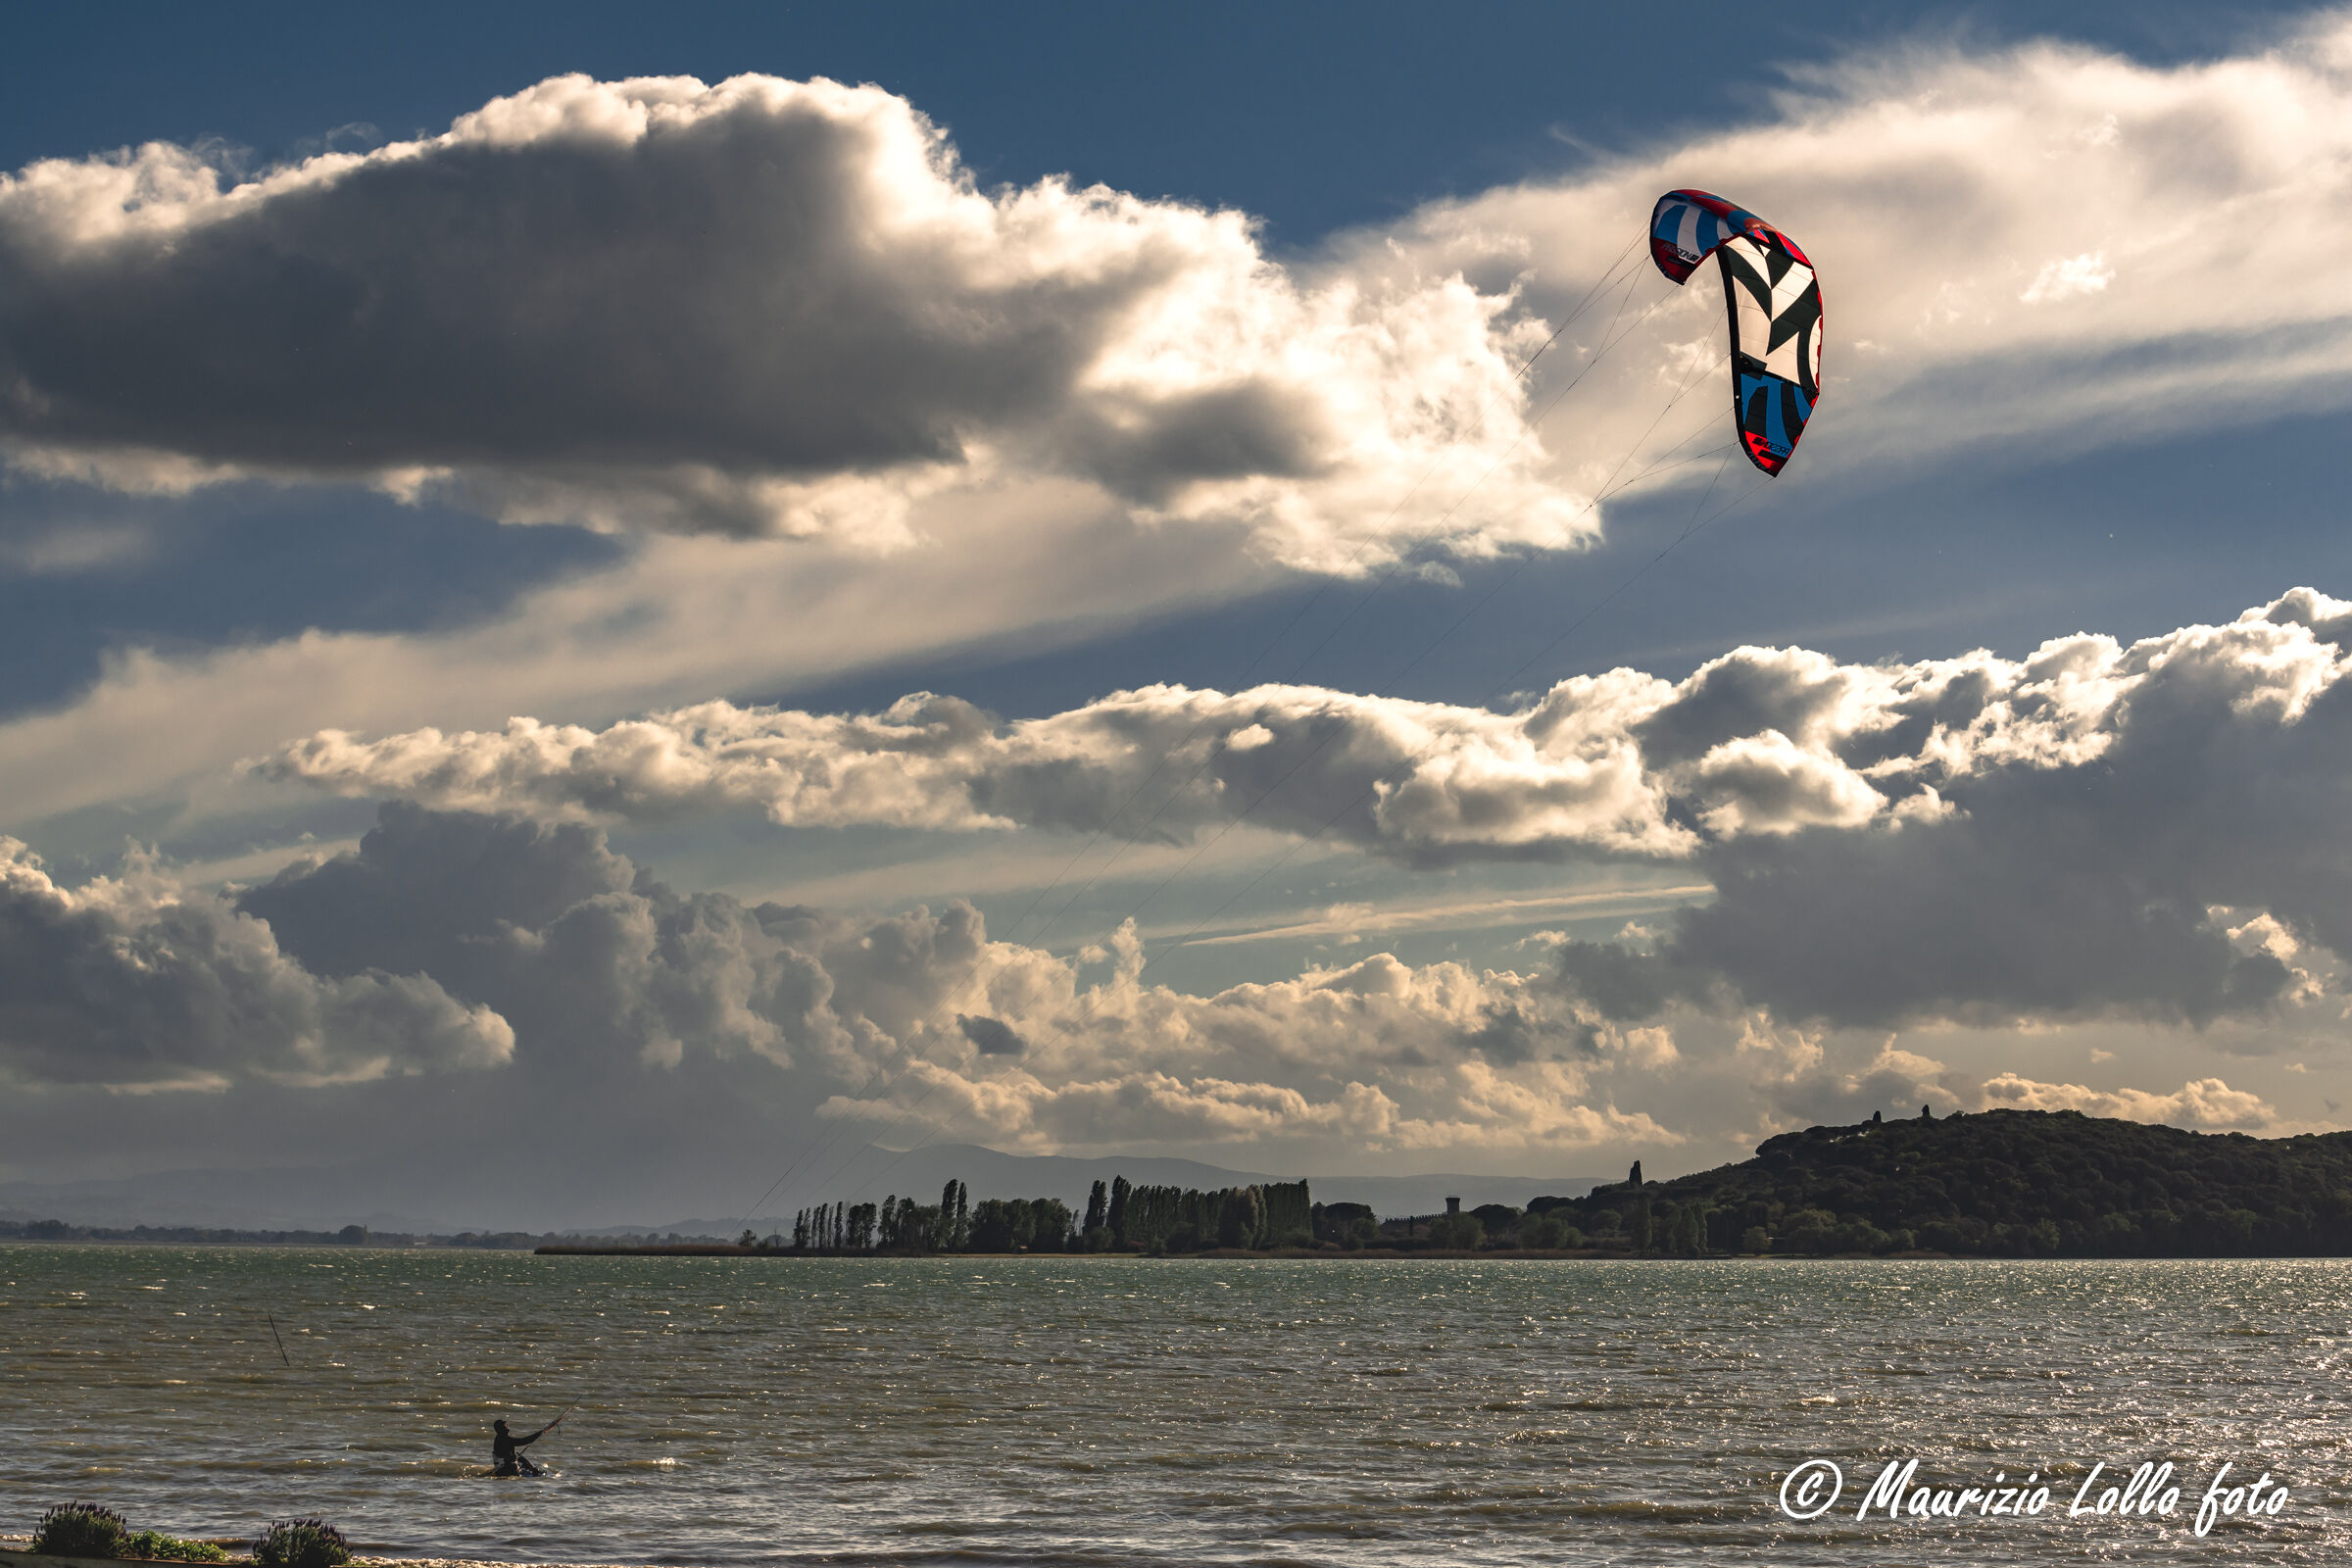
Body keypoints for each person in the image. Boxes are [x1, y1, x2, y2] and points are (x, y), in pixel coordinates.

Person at [491, 1413, 560, 1477]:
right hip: (507, 1468)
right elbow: (525, 1441)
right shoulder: (504, 1439)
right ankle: (535, 1472)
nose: (507, 1427)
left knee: (519, 1457)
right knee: (516, 1463)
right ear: (500, 1429)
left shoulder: (500, 1439)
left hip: (504, 1466)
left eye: (506, 1425)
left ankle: (534, 1470)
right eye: (504, 1426)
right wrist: (541, 1432)